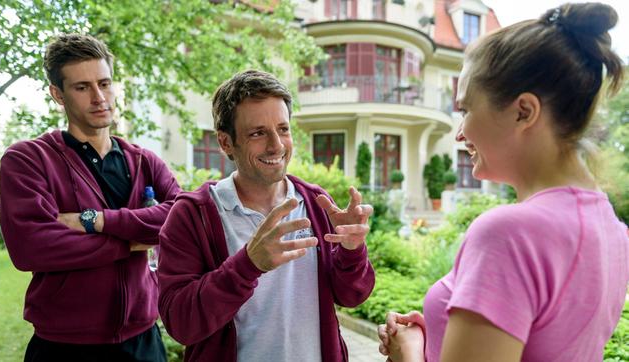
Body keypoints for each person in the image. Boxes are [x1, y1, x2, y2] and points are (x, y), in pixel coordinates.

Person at [377, 3, 628, 362]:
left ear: (523, 111)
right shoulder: (613, 231)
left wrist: (409, 353)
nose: (460, 132)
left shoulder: (509, 234)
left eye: (465, 110)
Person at [157, 70, 375, 362]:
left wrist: (352, 251)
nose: (276, 145)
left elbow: (352, 296)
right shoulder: (192, 215)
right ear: (225, 143)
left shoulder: (314, 202)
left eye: (283, 129)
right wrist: (248, 265)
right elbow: (181, 323)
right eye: (258, 133)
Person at [0, 34, 181, 362]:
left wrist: (97, 221)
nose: (99, 97)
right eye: (82, 87)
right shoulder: (27, 160)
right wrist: (132, 242)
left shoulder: (144, 161)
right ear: (58, 94)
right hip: (63, 347)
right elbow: (32, 247)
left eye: (105, 83)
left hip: (143, 341)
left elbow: (181, 221)